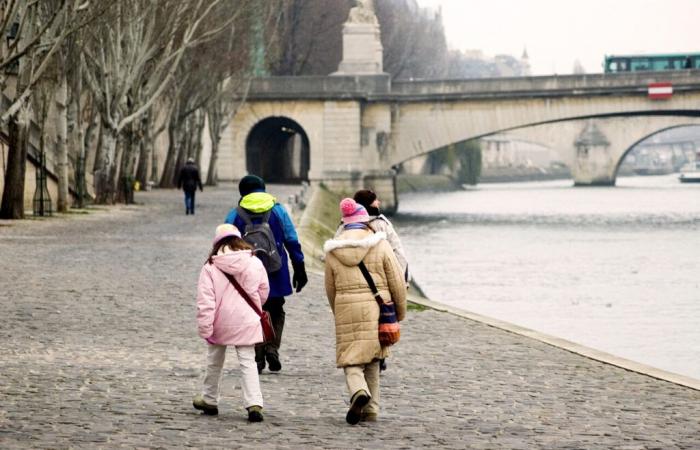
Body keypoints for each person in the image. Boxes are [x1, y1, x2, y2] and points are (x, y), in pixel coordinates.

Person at [323, 198, 407, 424]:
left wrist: (337, 309)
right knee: (373, 357)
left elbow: (330, 288)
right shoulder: (380, 244)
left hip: (346, 306)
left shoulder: (333, 250)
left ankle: (358, 391)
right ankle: (370, 409)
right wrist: (399, 312)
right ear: (365, 222)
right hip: (376, 306)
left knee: (352, 358)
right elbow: (397, 281)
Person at [224, 175, 307, 374]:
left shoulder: (235, 214)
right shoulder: (278, 210)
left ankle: (258, 357)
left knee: (253, 311)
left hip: (246, 272)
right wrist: (299, 267)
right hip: (275, 270)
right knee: (276, 310)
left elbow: (225, 243)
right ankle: (272, 348)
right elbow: (291, 239)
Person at [192, 224, 269, 422]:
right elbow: (263, 290)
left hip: (220, 322)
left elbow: (206, 302)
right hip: (247, 320)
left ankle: (209, 399)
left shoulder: (210, 267)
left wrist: (205, 328)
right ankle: (254, 404)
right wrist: (255, 307)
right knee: (248, 362)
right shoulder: (254, 262)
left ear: (217, 244)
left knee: (214, 361)